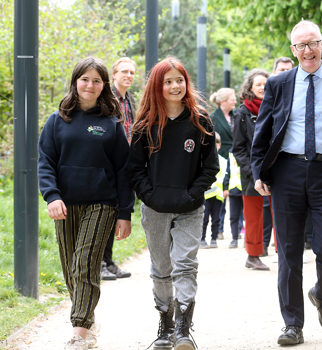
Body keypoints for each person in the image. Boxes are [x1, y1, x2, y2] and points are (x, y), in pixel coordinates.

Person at [251, 20, 322, 345]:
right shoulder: (279, 83)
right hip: (287, 172)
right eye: (300, 45)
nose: (307, 50)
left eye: (312, 43)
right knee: (288, 252)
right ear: (293, 50)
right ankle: (293, 324)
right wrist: (259, 170)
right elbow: (264, 128)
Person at [38, 56, 135, 349]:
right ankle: (89, 320)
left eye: (96, 80)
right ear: (75, 81)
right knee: (71, 269)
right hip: (65, 205)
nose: (90, 85)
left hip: (102, 204)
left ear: (104, 85)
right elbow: (46, 163)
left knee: (85, 265)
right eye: (85, 79)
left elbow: (123, 170)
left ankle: (78, 334)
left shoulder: (111, 123)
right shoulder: (57, 120)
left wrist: (125, 212)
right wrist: (52, 196)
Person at [128, 56, 219, 350]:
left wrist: (193, 195)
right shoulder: (145, 124)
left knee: (185, 265)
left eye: (179, 80)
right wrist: (149, 196)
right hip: (155, 209)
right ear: (158, 86)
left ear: (186, 83)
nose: (175, 86)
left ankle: (183, 327)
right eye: (168, 81)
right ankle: (165, 325)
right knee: (161, 268)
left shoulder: (200, 120)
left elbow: (210, 167)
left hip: (190, 208)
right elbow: (135, 168)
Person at [100, 57, 138, 281]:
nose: (129, 76)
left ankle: (109, 261)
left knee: (115, 211)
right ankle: (100, 263)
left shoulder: (129, 98)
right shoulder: (106, 97)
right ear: (113, 75)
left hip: (125, 160)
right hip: (109, 161)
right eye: (124, 71)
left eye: (132, 72)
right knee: (106, 212)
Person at [232, 68, 272, 271]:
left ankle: (285, 252)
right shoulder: (242, 113)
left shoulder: (276, 107)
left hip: (276, 171)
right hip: (251, 174)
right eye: (258, 84)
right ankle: (253, 256)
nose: (262, 88)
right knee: (254, 218)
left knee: (282, 214)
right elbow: (238, 148)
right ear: (250, 87)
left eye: (265, 84)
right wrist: (253, 172)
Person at [264, 57, 295, 259]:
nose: (285, 73)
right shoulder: (272, 91)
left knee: (294, 211)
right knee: (271, 211)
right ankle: (275, 246)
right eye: (281, 69)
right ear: (274, 72)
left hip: (293, 163)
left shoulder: (298, 91)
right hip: (272, 164)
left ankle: (288, 247)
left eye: (288, 70)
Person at [209, 88, 237, 240]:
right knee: (220, 194)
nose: (235, 101)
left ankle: (237, 228)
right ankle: (218, 229)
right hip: (220, 157)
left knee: (235, 191)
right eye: (232, 99)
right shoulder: (213, 118)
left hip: (236, 159)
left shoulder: (237, 116)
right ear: (223, 101)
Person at [200, 132, 229, 249]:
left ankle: (214, 239)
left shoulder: (223, 161)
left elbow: (226, 176)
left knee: (216, 218)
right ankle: (202, 239)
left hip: (218, 195)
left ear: (220, 145)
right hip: (205, 195)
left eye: (216, 144)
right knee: (204, 218)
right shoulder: (203, 159)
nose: (215, 147)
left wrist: (226, 189)